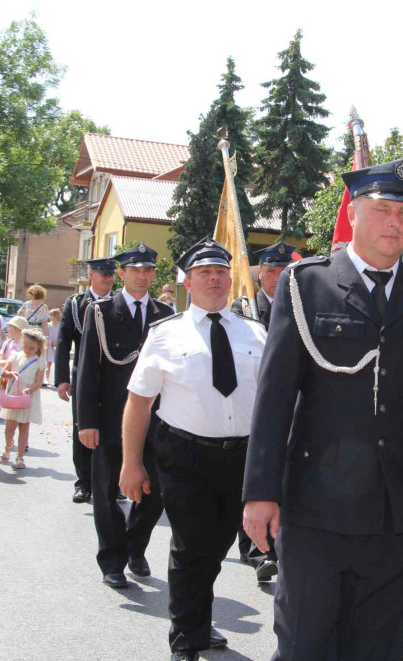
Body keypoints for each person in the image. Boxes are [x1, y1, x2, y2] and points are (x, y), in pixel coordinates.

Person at [243, 158, 403, 661]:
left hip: (400, 516)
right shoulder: (304, 284)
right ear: (353, 213)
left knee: (379, 648)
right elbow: (274, 399)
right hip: (317, 510)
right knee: (305, 647)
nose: (395, 223)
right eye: (381, 210)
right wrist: (261, 492)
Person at [120, 238, 266, 661]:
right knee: (190, 544)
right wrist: (131, 464)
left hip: (241, 456)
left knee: (217, 545)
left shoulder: (255, 332)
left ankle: (199, 622)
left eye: (220, 271)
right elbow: (139, 402)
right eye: (204, 272)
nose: (214, 278)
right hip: (184, 455)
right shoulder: (166, 334)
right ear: (188, 281)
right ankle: (186, 636)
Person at [78, 243, 174, 587]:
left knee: (155, 491)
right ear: (121, 274)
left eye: (148, 270)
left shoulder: (165, 315)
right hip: (110, 419)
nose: (142, 276)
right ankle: (113, 561)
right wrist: (85, 421)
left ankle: (135, 546)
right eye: (135, 270)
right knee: (105, 492)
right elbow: (88, 370)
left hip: (156, 421)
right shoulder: (101, 312)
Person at [231, 241, 295, 579]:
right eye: (271, 271)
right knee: (256, 477)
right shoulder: (243, 310)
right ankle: (257, 550)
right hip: (254, 406)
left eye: (284, 271)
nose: (278, 277)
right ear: (260, 276)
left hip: (293, 408)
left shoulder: (301, 305)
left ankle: (276, 544)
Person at [57, 258, 116, 504]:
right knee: (83, 427)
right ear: (91, 274)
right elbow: (63, 343)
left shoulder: (119, 303)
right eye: (103, 274)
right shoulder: (75, 304)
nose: (108, 278)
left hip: (114, 377)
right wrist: (61, 379)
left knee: (113, 431)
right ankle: (84, 482)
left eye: (111, 274)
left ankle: (113, 482)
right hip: (83, 376)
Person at [0, 328, 46, 469]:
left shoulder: (39, 362)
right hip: (14, 392)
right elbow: (3, 372)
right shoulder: (15, 356)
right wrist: (10, 373)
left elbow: (39, 382)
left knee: (24, 427)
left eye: (32, 348)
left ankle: (20, 457)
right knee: (9, 426)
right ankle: (7, 447)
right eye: (25, 346)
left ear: (38, 347)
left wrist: (29, 389)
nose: (28, 350)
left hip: (28, 396)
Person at [45, 308, 61, 386]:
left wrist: (57, 343)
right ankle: (47, 379)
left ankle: (56, 379)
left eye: (51, 315)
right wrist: (49, 342)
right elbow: (46, 334)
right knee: (48, 363)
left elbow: (62, 336)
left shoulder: (60, 325)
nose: (49, 316)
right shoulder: (48, 325)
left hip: (57, 347)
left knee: (57, 363)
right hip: (49, 346)